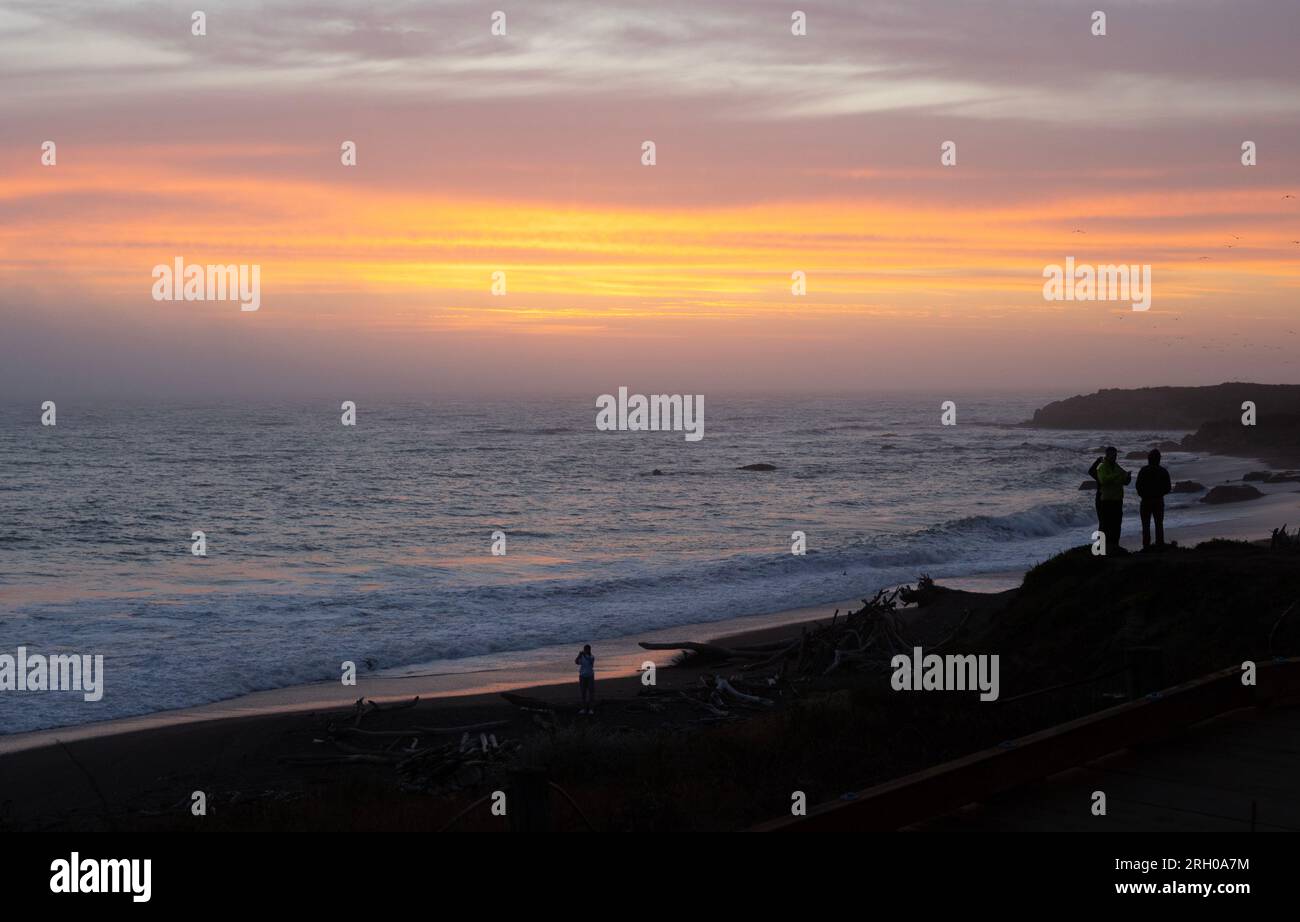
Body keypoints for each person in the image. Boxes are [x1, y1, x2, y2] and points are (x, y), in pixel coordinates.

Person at [1094, 446, 1131, 554]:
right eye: (1112, 455)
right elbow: (1103, 480)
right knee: (1105, 525)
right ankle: (1101, 549)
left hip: (1118, 500)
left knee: (1116, 525)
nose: (1114, 457)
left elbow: (1124, 481)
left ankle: (1114, 547)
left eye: (1115, 455)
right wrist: (1117, 475)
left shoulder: (1116, 466)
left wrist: (1127, 478)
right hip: (1106, 501)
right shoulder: (1101, 466)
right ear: (1107, 455)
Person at [1135, 449, 1172, 549]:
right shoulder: (1163, 471)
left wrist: (1143, 495)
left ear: (1149, 459)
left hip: (1146, 500)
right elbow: (1168, 488)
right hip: (1158, 500)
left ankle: (1146, 546)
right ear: (1159, 459)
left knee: (1145, 525)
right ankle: (1160, 544)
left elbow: (1138, 486)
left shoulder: (1143, 470)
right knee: (1159, 524)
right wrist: (1160, 494)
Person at [575, 644, 595, 714]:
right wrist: (579, 655)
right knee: (583, 692)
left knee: (591, 692)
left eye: (586, 649)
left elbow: (590, 662)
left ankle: (591, 709)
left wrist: (584, 655)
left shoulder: (592, 657)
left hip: (590, 676)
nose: (585, 651)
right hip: (582, 676)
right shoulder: (582, 657)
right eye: (584, 649)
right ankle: (584, 708)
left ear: (589, 650)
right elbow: (576, 662)